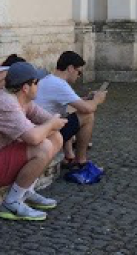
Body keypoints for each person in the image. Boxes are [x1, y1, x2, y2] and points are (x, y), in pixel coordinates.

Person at [0, 62, 65, 222]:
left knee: (56, 137)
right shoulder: (5, 104)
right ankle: (12, 202)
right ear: (25, 87)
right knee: (43, 147)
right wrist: (52, 124)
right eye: (36, 83)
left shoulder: (22, 101)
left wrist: (57, 122)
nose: (39, 86)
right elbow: (34, 137)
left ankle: (26, 190)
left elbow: (47, 121)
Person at [35, 51, 106, 183]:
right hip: (47, 134)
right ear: (70, 68)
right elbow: (87, 108)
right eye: (79, 72)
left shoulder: (49, 80)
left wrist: (86, 98)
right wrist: (97, 100)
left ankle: (69, 156)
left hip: (43, 128)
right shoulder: (59, 85)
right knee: (87, 115)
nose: (79, 76)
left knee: (67, 115)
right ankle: (81, 162)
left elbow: (71, 102)